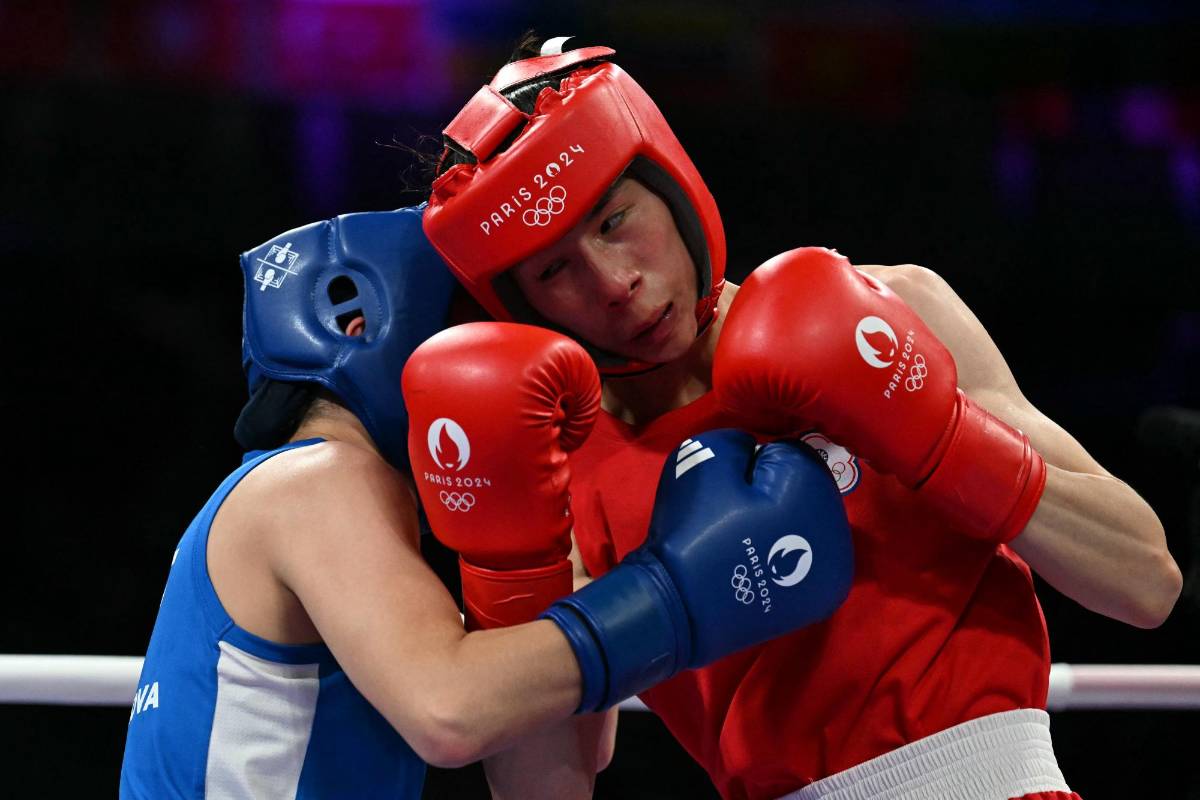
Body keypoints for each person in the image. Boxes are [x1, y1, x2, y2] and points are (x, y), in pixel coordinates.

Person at [421, 37, 1183, 800]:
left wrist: (943, 439)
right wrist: (512, 572)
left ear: (670, 184)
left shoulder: (890, 313)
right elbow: (542, 792)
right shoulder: (560, 477)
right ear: (522, 304)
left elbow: (1145, 583)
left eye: (615, 220)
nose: (614, 283)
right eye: (555, 269)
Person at [117, 205, 856, 799]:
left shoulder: (310, 502)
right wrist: (672, 596)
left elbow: (558, 740)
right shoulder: (313, 481)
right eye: (469, 327)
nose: (508, 351)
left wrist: (547, 551)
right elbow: (450, 711)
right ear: (358, 323)